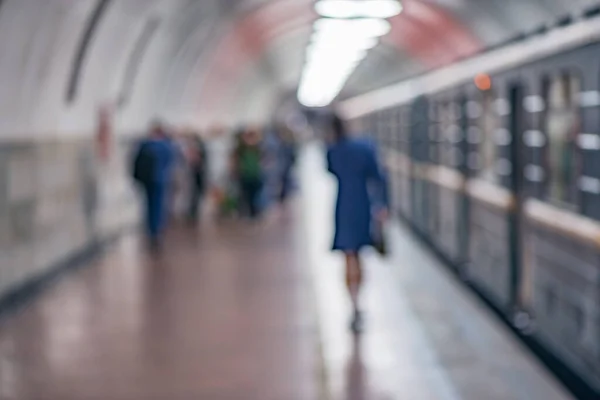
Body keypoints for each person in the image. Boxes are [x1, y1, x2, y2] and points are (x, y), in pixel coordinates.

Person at [326, 114, 388, 334]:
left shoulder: (333, 150)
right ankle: (359, 299)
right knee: (360, 255)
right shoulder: (364, 148)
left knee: (348, 256)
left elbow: (331, 170)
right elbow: (379, 176)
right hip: (363, 204)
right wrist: (383, 205)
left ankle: (353, 302)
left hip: (343, 205)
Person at [132, 121, 177, 249]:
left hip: (147, 180)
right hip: (160, 180)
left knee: (148, 204)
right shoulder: (166, 145)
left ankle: (150, 230)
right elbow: (171, 162)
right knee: (158, 205)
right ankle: (157, 230)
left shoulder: (144, 144)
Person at [234, 128, 265, 219]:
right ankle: (246, 211)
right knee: (245, 194)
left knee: (255, 194)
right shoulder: (241, 150)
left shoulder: (258, 148)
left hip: (256, 174)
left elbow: (263, 160)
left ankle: (255, 211)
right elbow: (237, 161)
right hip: (245, 175)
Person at [186, 133, 208, 224]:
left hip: (198, 174)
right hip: (193, 175)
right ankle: (192, 211)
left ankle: (194, 211)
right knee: (192, 194)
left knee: (197, 193)